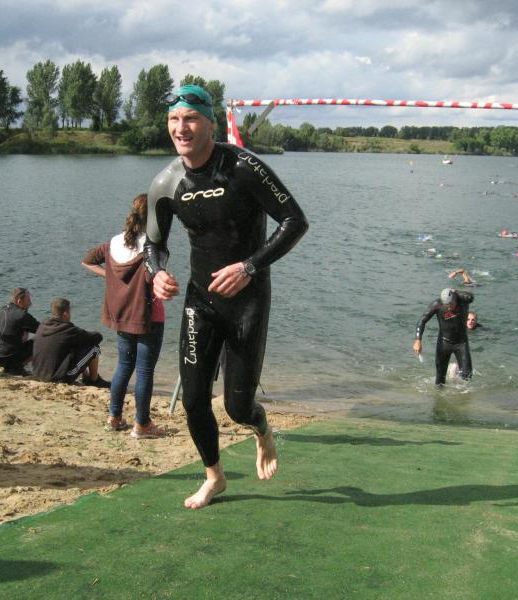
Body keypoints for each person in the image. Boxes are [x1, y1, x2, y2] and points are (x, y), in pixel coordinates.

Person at [145, 84, 308, 509]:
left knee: (237, 407)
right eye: (174, 120)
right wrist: (157, 274)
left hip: (247, 300)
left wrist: (248, 267)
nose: (181, 128)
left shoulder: (243, 167)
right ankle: (214, 476)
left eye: (190, 118)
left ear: (210, 124)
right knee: (194, 399)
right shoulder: (166, 183)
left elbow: (294, 221)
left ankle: (261, 428)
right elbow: (153, 245)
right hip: (201, 302)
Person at [82, 193, 166, 438]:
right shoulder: (152, 245)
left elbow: (87, 260)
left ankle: (114, 417)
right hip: (148, 316)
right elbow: (155, 276)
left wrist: (109, 275)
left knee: (124, 366)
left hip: (121, 314)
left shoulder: (115, 242)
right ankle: (142, 424)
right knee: (144, 371)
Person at [32, 298, 109, 387]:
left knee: (74, 345)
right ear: (65, 314)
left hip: (38, 373)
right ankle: (94, 380)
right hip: (58, 378)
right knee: (94, 349)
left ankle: (86, 377)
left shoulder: (43, 325)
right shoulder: (68, 329)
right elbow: (98, 337)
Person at [413, 287, 474, 385]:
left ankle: (460, 392)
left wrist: (456, 291)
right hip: (444, 343)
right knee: (440, 379)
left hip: (461, 343)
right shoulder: (437, 304)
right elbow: (422, 320)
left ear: (455, 299)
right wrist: (418, 340)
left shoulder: (462, 299)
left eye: (451, 304)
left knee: (467, 376)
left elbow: (471, 297)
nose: (449, 308)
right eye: (446, 305)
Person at [0, 287, 39, 375]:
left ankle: (16, 365)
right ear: (19, 301)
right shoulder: (21, 315)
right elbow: (43, 330)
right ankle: (17, 367)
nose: (30, 303)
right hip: (7, 359)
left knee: (21, 329)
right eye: (28, 300)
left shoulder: (3, 309)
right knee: (41, 339)